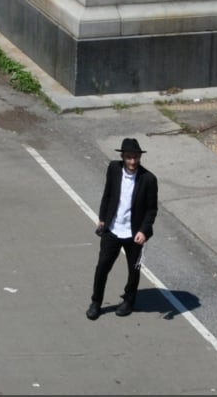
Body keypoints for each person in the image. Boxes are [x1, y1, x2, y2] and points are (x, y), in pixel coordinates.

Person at [89, 137, 159, 319]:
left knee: (133, 270)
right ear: (122, 157)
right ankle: (96, 302)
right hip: (112, 230)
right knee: (102, 267)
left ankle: (129, 300)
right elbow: (107, 194)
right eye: (128, 157)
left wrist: (143, 230)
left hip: (133, 234)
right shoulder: (113, 168)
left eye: (135, 157)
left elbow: (152, 210)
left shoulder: (148, 179)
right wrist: (102, 219)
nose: (132, 162)